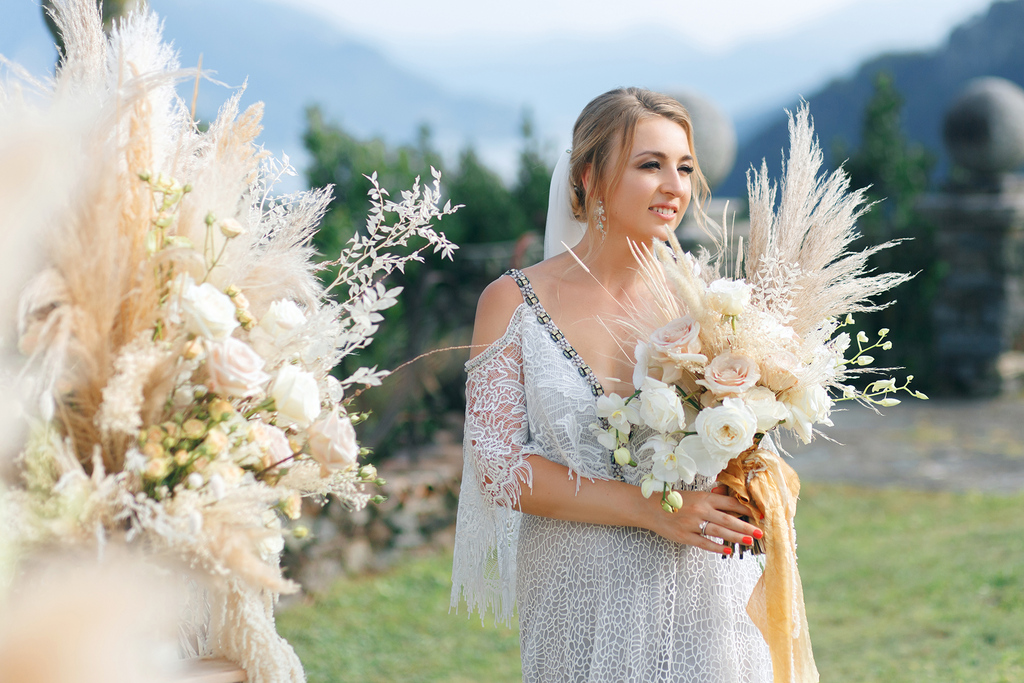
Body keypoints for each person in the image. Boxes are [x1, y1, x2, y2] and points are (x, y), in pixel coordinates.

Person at [451, 87, 772, 682]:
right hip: (578, 588)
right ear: (588, 176)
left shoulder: (706, 300)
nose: (674, 185)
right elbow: (496, 469)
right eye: (650, 164)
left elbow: (746, 441)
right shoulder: (513, 304)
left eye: (684, 167)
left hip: (705, 585)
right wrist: (648, 509)